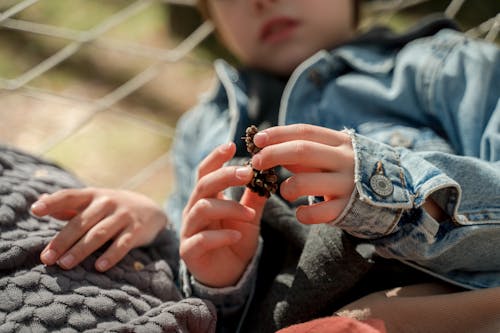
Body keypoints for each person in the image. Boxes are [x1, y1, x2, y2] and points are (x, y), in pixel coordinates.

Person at [30, 0, 500, 332]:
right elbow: (193, 289)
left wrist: (392, 192)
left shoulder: (445, 70)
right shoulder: (202, 129)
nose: (262, 0)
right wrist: (177, 240)